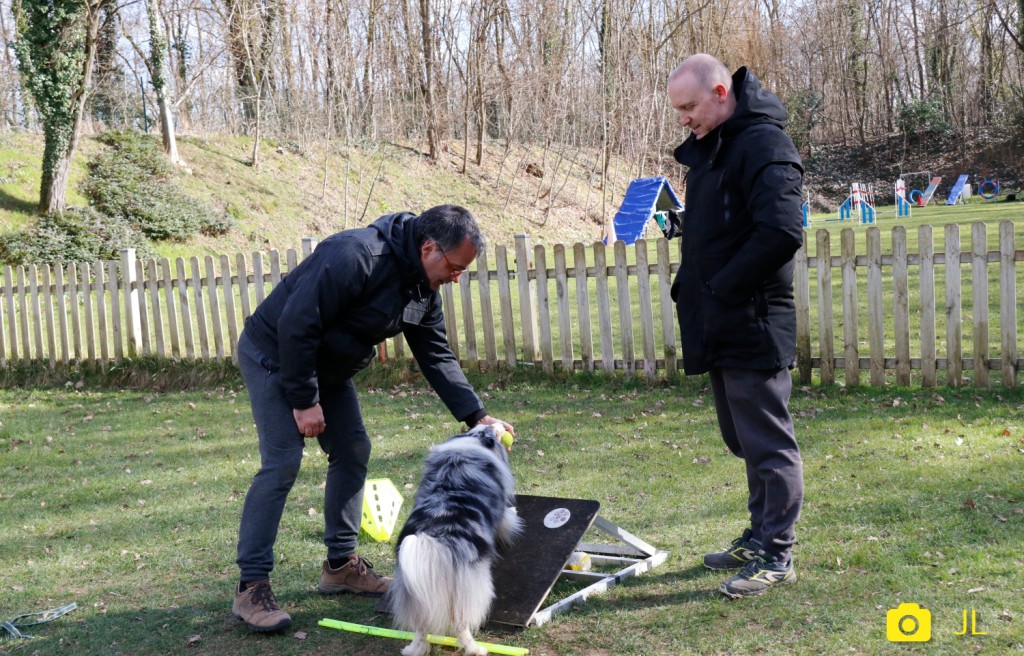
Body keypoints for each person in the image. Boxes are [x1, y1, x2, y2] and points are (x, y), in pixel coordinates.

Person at [231, 205, 515, 631]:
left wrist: (479, 417)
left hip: (328, 365)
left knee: (353, 448)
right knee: (283, 461)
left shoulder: (421, 289)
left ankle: (341, 566)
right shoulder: (356, 255)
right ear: (429, 248)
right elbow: (297, 324)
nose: (456, 278)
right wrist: (304, 400)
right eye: (455, 268)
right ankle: (251, 586)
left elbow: (435, 354)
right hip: (274, 354)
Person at [666, 54, 805, 598]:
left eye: (689, 107)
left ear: (720, 93)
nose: (684, 119)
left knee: (768, 442)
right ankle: (759, 534)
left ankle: (777, 553)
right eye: (678, 110)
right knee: (742, 438)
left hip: (753, 320)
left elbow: (780, 232)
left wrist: (722, 286)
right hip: (719, 320)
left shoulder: (765, 145)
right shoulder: (715, 147)